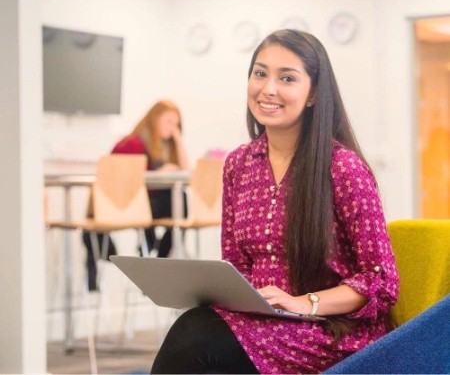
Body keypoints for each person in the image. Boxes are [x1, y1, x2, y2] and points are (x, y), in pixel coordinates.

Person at [150, 30, 399, 374]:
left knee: (196, 335)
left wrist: (304, 303)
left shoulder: (343, 167)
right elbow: (237, 264)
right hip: (263, 321)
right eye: (260, 73)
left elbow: (381, 281)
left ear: (314, 93)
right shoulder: (238, 163)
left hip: (331, 331)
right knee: (197, 326)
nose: (268, 89)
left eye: (287, 78)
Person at [83, 99, 189, 290]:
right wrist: (157, 174)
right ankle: (154, 262)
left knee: (181, 203)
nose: (173, 128)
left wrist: (179, 140)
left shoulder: (166, 147)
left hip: (150, 204)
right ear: (154, 119)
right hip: (125, 204)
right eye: (169, 122)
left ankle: (156, 262)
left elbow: (185, 170)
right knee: (179, 203)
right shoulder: (132, 144)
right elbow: (119, 182)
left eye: (176, 124)